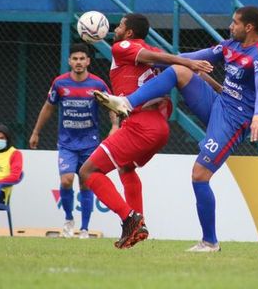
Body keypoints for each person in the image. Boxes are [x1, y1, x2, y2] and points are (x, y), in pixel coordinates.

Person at [94, 6, 258, 252]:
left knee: (200, 175)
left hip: (235, 119)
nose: (230, 27)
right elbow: (191, 58)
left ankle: (210, 242)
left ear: (249, 27)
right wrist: (183, 61)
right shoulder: (230, 45)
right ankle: (127, 103)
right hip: (218, 103)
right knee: (178, 70)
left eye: (234, 23)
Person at [79, 13, 214, 249]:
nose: (116, 28)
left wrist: (187, 63)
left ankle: (130, 218)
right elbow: (173, 59)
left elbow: (164, 58)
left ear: (129, 32)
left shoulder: (122, 47)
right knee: (126, 167)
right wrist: (194, 64)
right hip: (158, 128)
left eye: (120, 25)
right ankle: (136, 227)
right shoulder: (149, 49)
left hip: (140, 125)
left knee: (88, 171)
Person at [29, 42, 117, 239]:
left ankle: (85, 229)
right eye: (75, 59)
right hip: (67, 143)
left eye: (82, 59)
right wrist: (36, 132)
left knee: (86, 184)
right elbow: (48, 108)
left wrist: (114, 126)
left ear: (88, 61)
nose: (78, 62)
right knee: (66, 180)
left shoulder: (97, 84)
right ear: (69, 61)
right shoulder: (60, 84)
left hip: (90, 143)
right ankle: (69, 220)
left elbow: (112, 106)